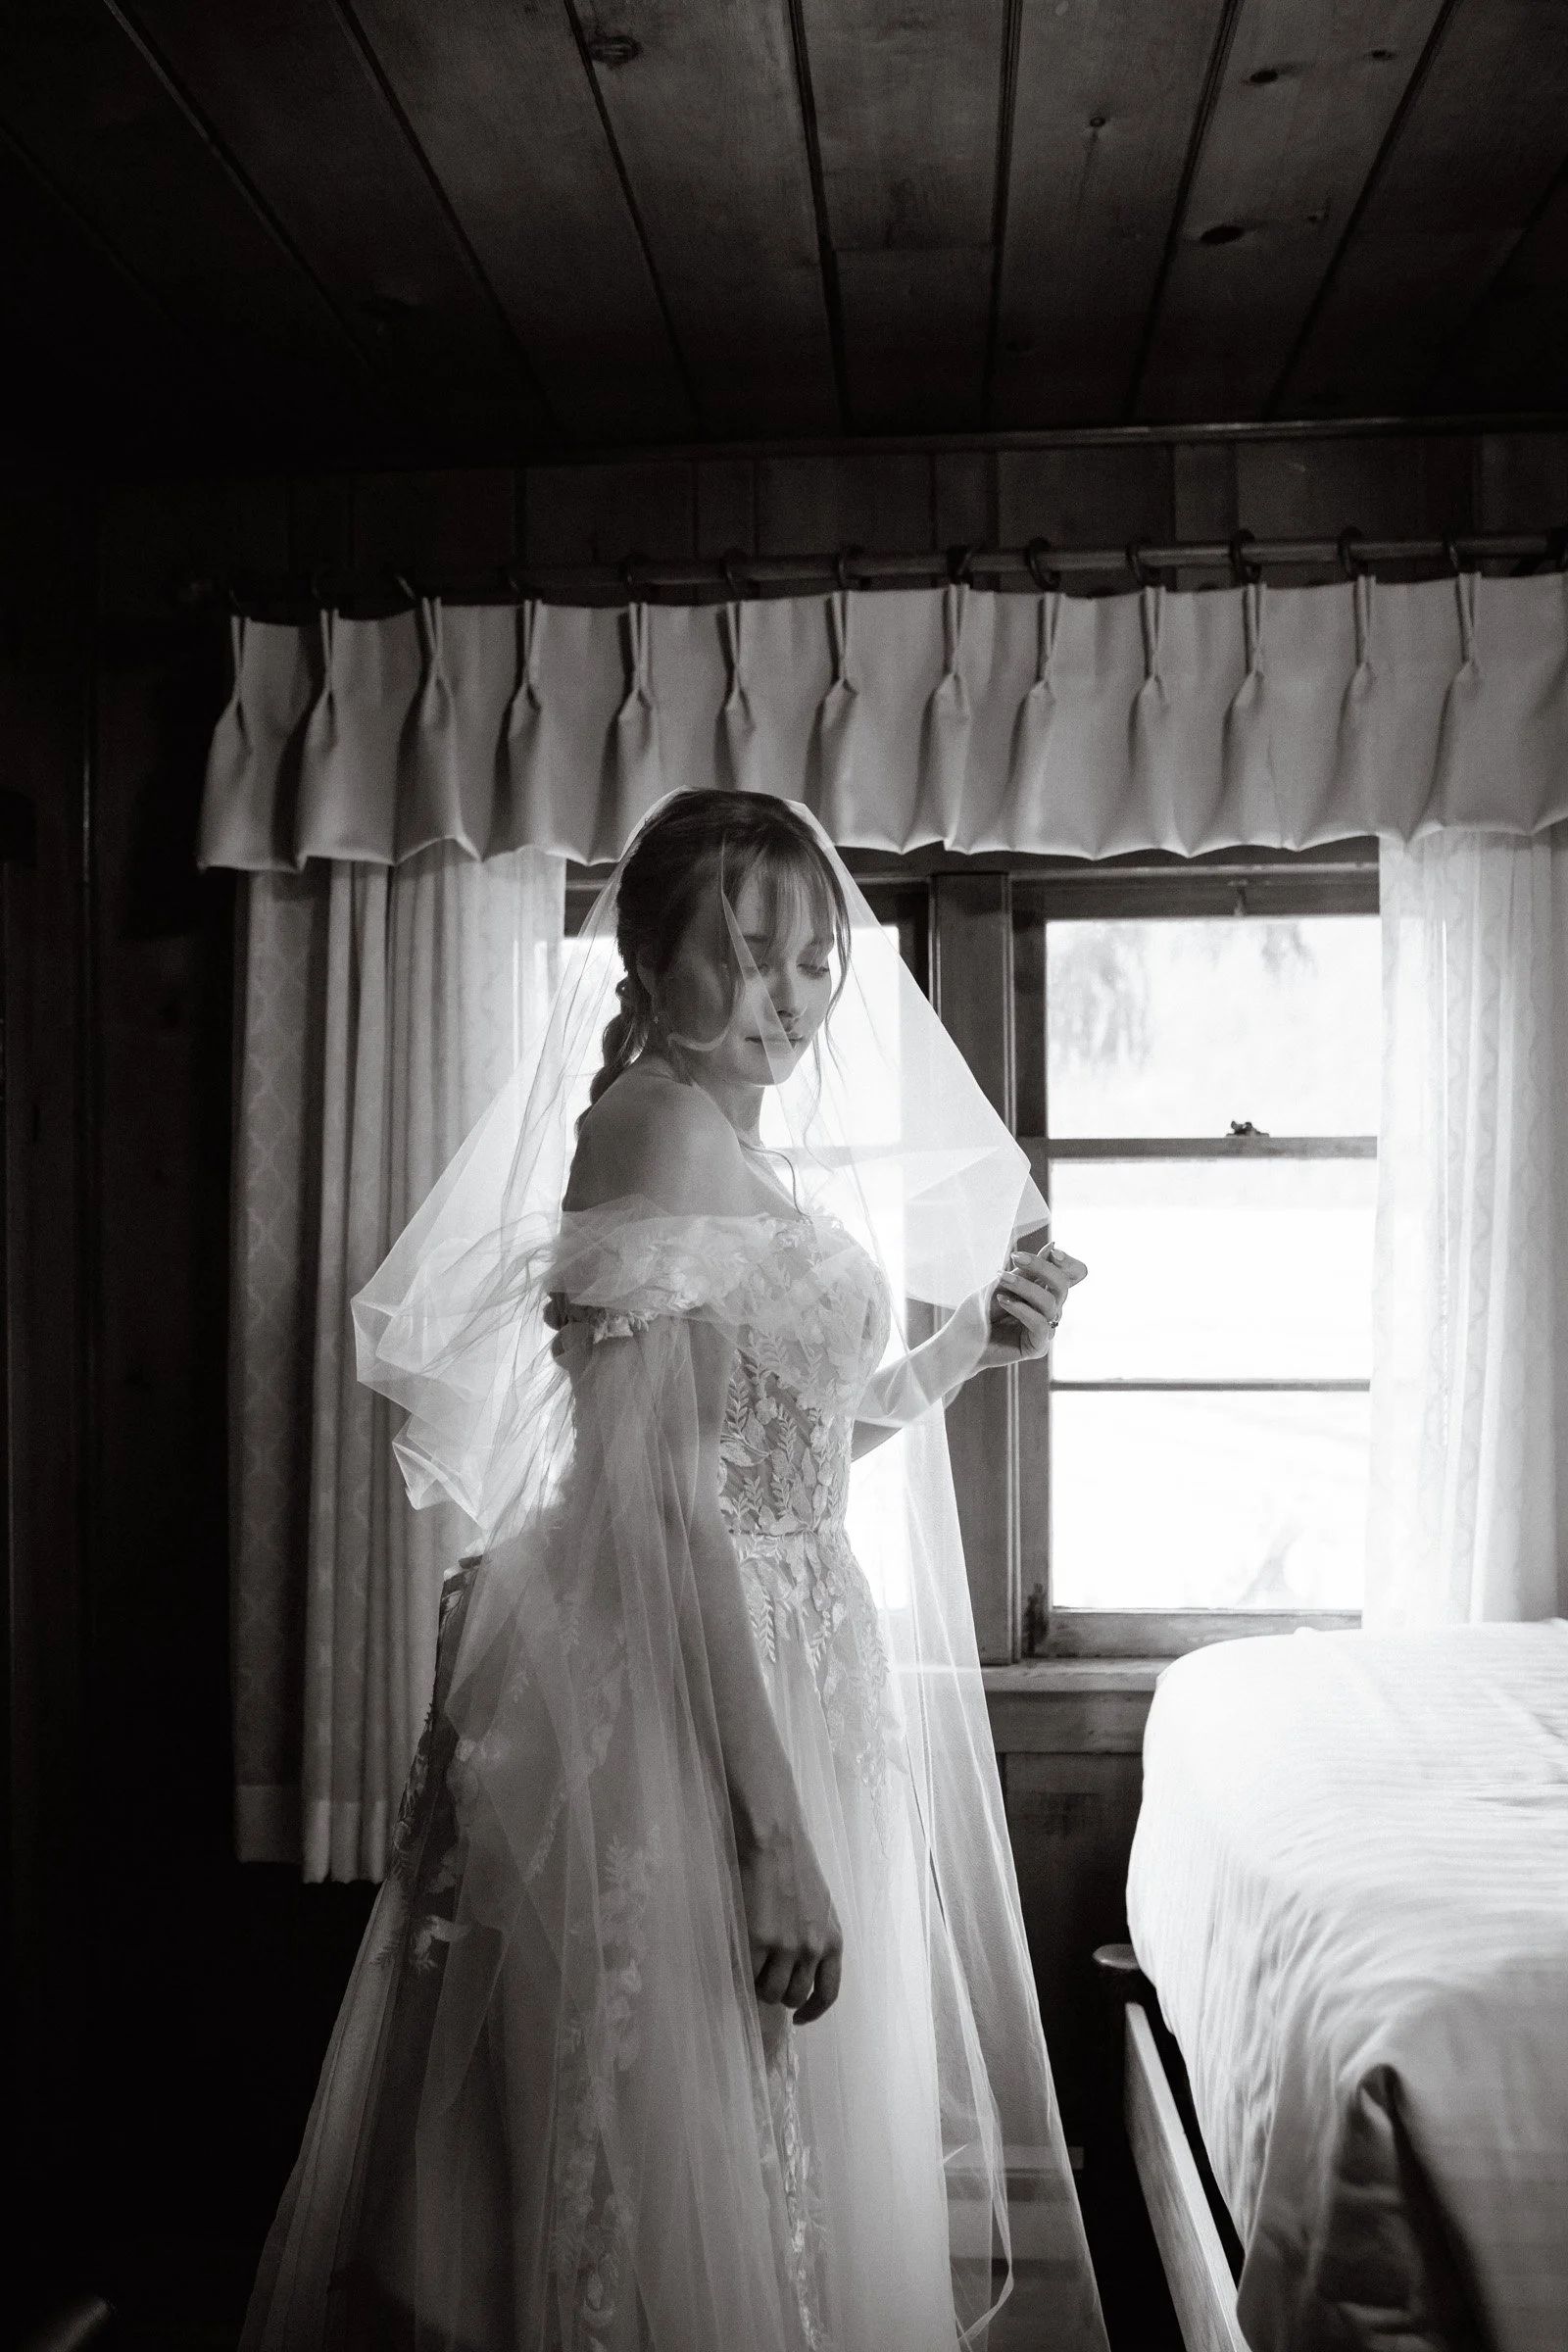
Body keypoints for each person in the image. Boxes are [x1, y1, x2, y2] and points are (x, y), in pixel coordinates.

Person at [241, 790, 1105, 2352]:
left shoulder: (722, 1140)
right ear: (650, 960)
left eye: (816, 961)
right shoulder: (651, 1126)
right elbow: (661, 1512)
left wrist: (973, 1343)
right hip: (686, 1693)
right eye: (749, 955)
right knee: (675, 2150)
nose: (791, 997)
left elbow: (794, 1461)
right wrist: (764, 1828)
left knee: (765, 2139)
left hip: (789, 1648)